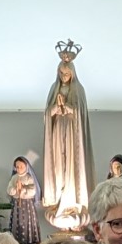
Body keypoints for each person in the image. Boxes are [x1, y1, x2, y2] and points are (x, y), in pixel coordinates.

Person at [42, 47, 95, 229]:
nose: (64, 76)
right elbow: (47, 114)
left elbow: (80, 114)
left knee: (72, 166)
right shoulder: (54, 89)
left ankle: (72, 203)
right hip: (58, 131)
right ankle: (59, 201)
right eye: (61, 73)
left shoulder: (78, 90)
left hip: (73, 133)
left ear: (72, 73)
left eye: (67, 73)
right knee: (59, 167)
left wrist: (68, 106)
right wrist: (56, 108)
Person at [7, 157, 42, 244]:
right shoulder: (14, 178)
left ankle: (29, 243)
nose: (19, 169)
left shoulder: (29, 178)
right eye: (17, 167)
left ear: (26, 167)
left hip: (27, 204)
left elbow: (33, 190)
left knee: (28, 222)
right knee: (17, 222)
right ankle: (16, 243)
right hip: (17, 205)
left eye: (21, 166)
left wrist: (23, 189)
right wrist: (15, 189)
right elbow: (9, 189)